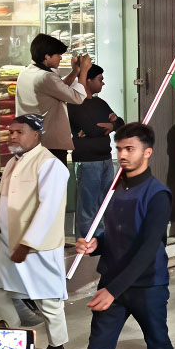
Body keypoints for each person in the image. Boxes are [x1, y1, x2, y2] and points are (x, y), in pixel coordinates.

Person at [72, 122, 175, 349]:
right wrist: (96, 245)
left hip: (148, 286)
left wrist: (112, 291)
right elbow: (115, 235)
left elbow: (148, 249)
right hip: (112, 283)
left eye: (129, 149)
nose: (122, 154)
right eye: (119, 148)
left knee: (159, 348)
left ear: (147, 152)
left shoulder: (158, 194)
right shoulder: (114, 189)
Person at [0, 114, 70, 349]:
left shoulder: (50, 165)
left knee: (47, 299)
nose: (13, 136)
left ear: (36, 135)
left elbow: (48, 209)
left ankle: (57, 347)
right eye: (11, 132)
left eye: (19, 132)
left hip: (37, 246)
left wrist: (28, 243)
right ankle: (11, 335)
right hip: (5, 241)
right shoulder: (13, 162)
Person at [67, 64, 124, 239]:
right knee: (88, 206)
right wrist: (106, 126)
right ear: (88, 80)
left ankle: (102, 241)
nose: (103, 83)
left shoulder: (100, 103)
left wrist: (112, 125)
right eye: (100, 79)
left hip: (106, 159)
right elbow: (91, 129)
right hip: (87, 161)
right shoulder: (75, 103)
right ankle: (86, 244)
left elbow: (120, 123)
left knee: (106, 204)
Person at [16, 33, 90, 162]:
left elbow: (58, 88)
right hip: (50, 145)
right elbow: (77, 97)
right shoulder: (46, 77)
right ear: (47, 56)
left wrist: (75, 71)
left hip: (32, 141)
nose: (60, 58)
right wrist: (84, 71)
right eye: (58, 55)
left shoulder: (25, 73)